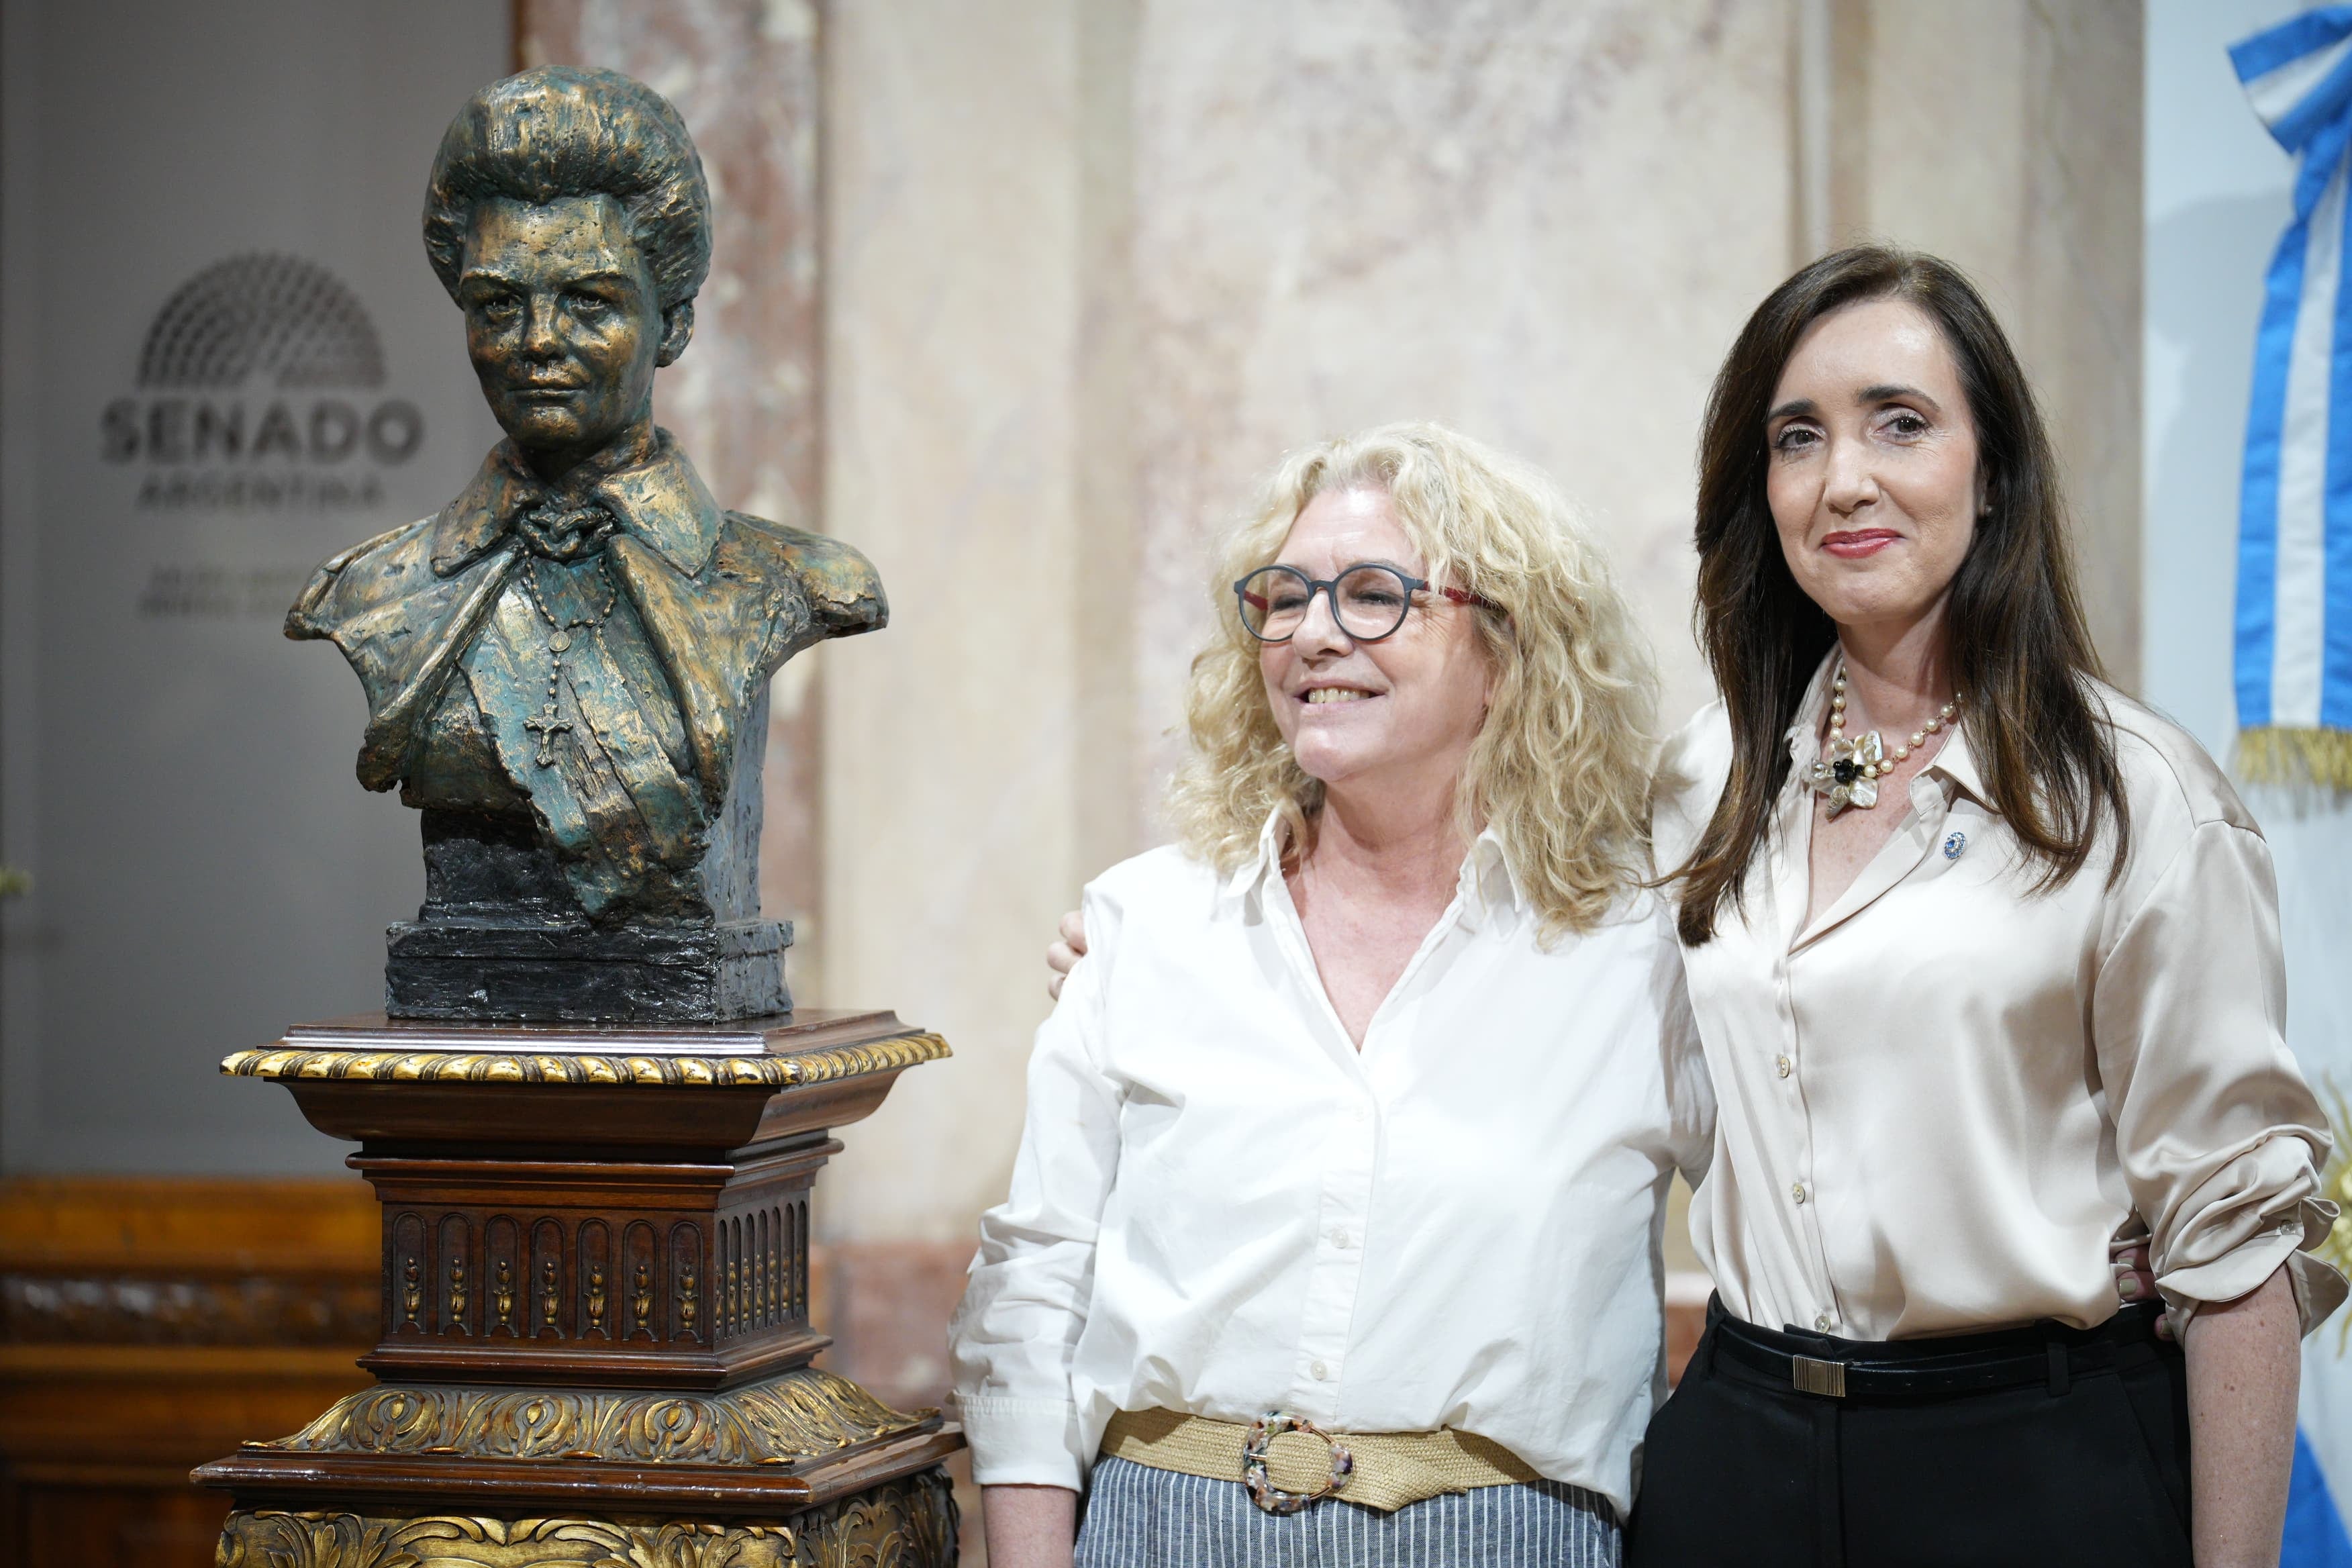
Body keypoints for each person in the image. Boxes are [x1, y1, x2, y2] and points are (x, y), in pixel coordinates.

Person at [1628, 245, 2344, 1568]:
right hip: (1737, 1455)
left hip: (2029, 1468)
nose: (1845, 477)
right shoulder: (1710, 775)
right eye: (1799, 438)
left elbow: (2237, 1248)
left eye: (1901, 422)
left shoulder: (2138, 803)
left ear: (1994, 471)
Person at [951, 424, 1712, 1567]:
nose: (1310, 634)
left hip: (1499, 1537)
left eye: (1371, 596)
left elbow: (1789, 1236)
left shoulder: (1633, 949)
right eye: (1284, 598)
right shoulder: (1146, 925)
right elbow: (1033, 1283)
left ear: (1505, 652)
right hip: (1160, 1526)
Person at [289, 66, 882, 930]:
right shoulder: (373, 591)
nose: (537, 342)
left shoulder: (796, 580)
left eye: (588, 302)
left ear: (672, 321)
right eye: (498, 305)